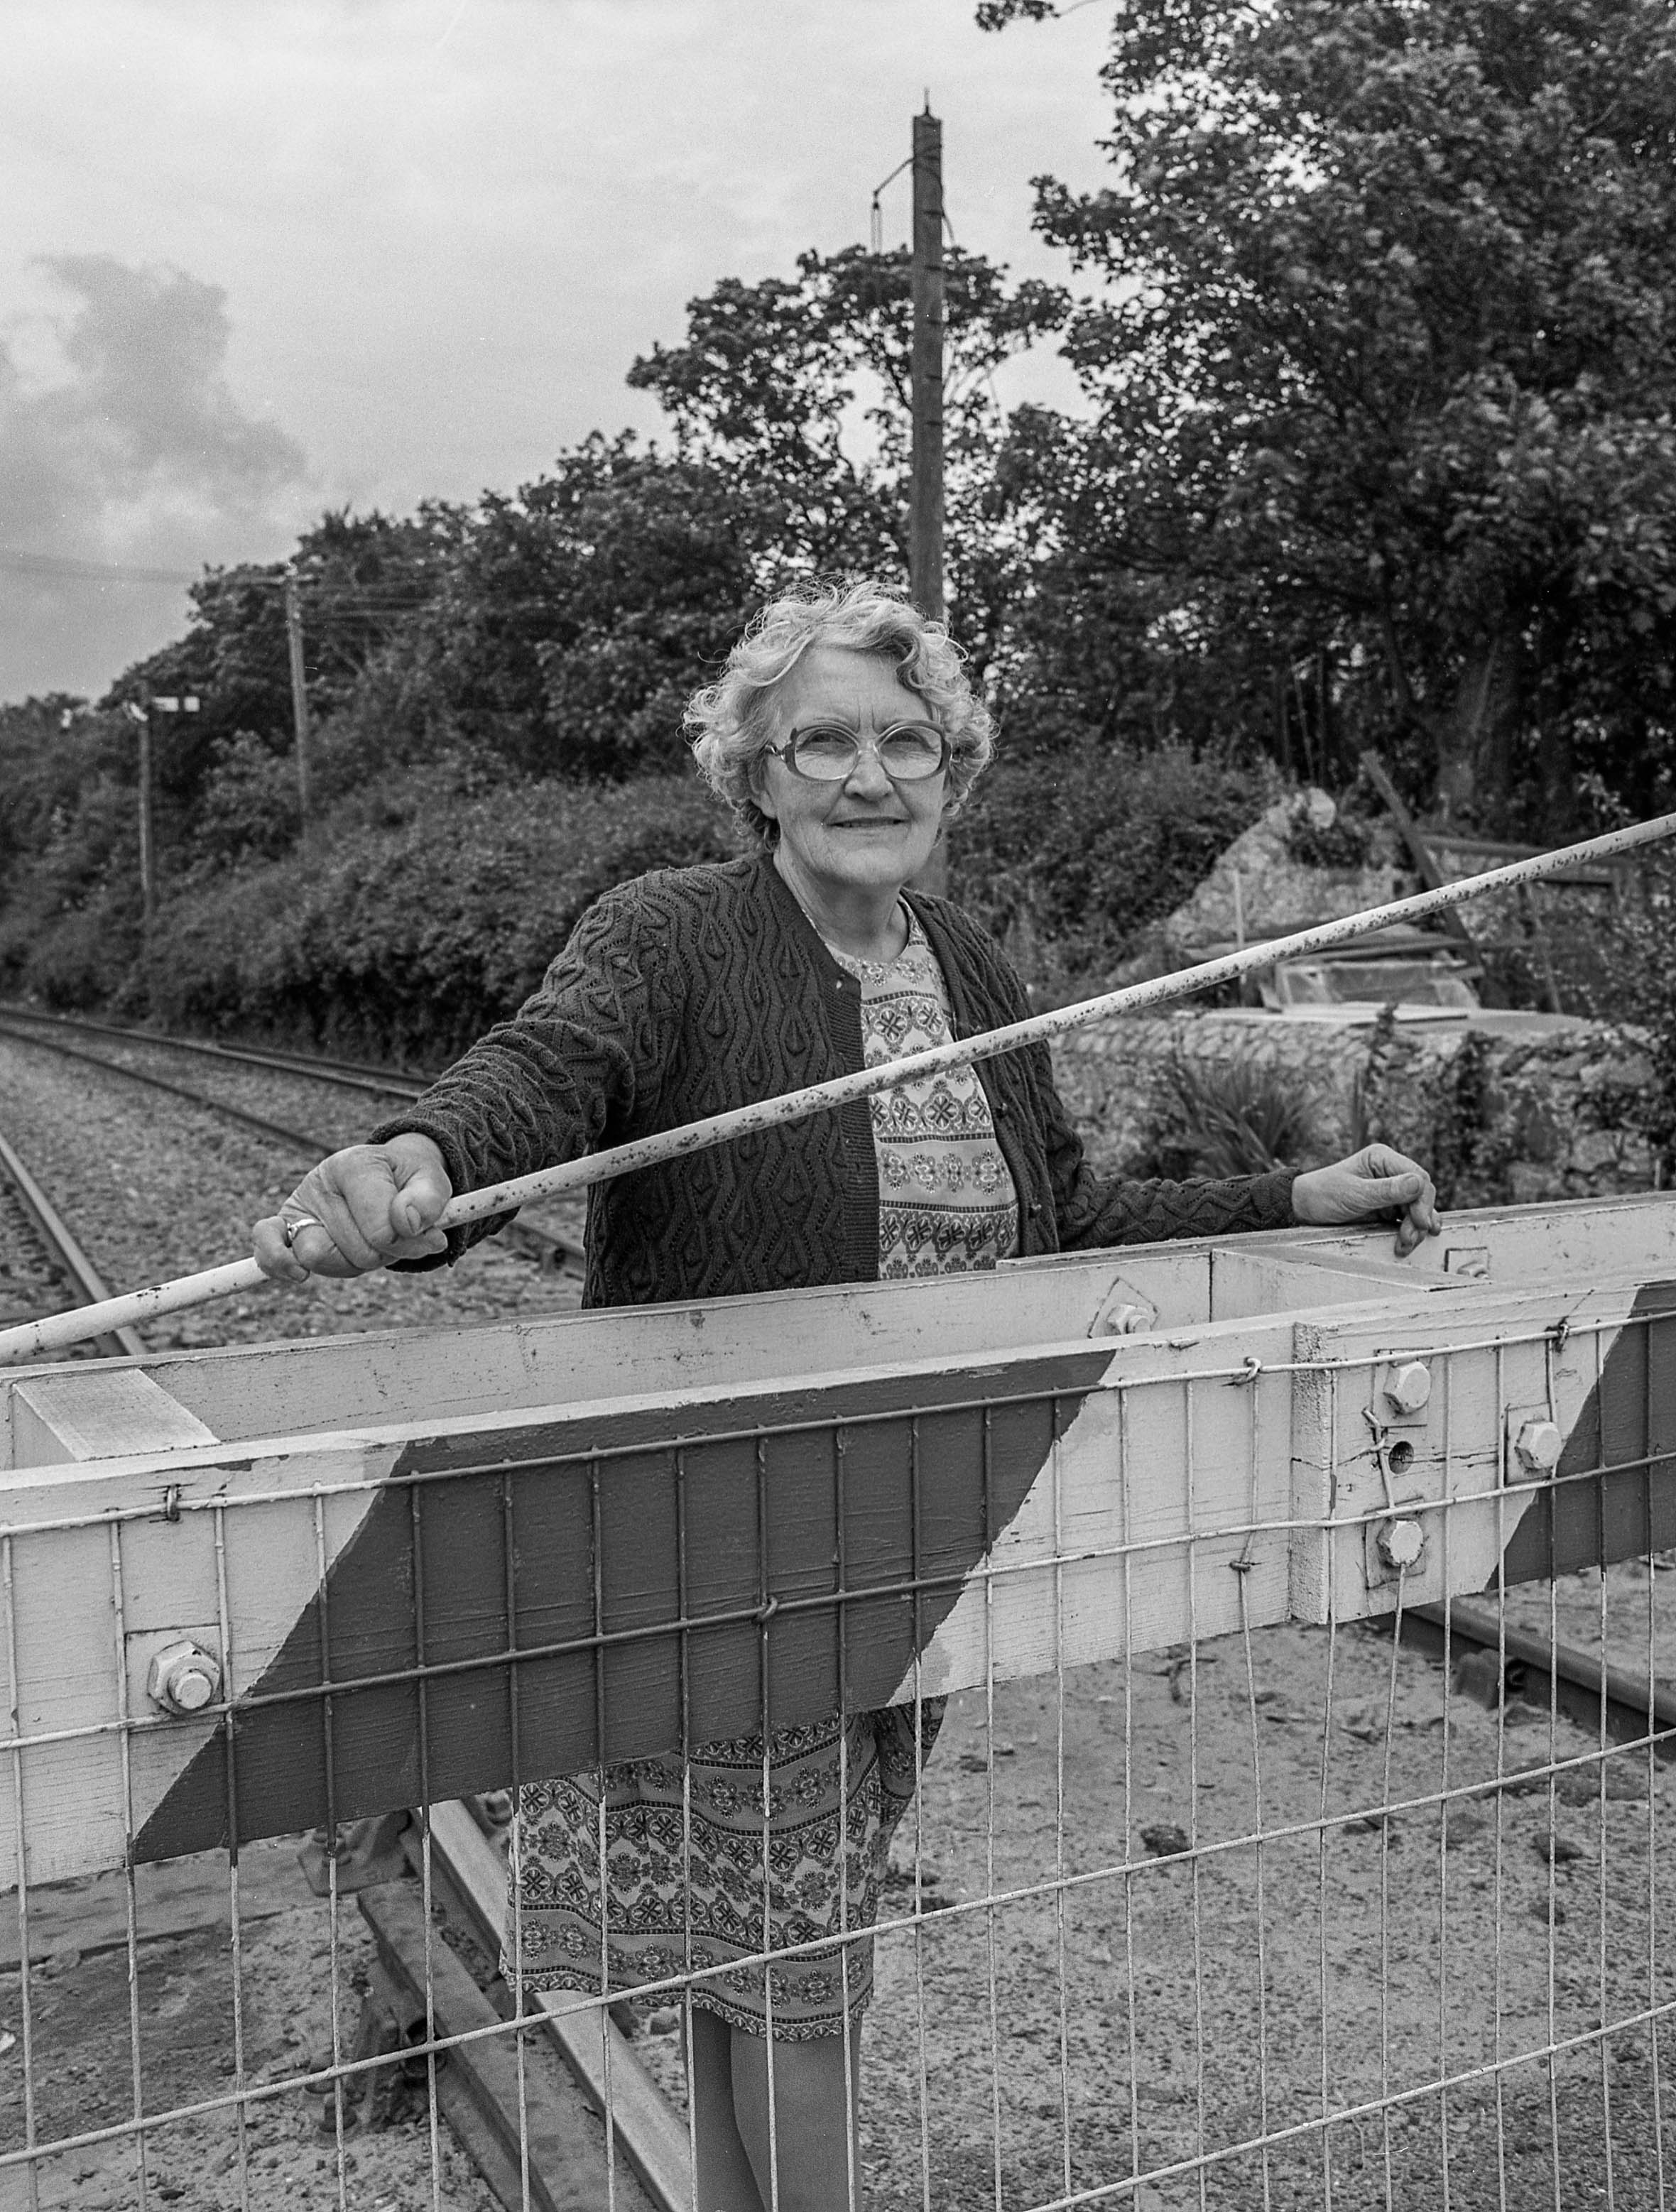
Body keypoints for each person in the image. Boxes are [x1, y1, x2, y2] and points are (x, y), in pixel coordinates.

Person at [254, 581, 1440, 2212]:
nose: (869, 775)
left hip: (905, 1527)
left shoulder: (972, 964)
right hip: (713, 1530)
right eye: (824, 740)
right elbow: (547, 1065)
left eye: (908, 741)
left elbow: (1067, 1216)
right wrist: (425, 1159)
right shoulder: (669, 933)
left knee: (779, 1944)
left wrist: (1290, 1201)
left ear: (951, 770)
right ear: (754, 775)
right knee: (801, 1956)